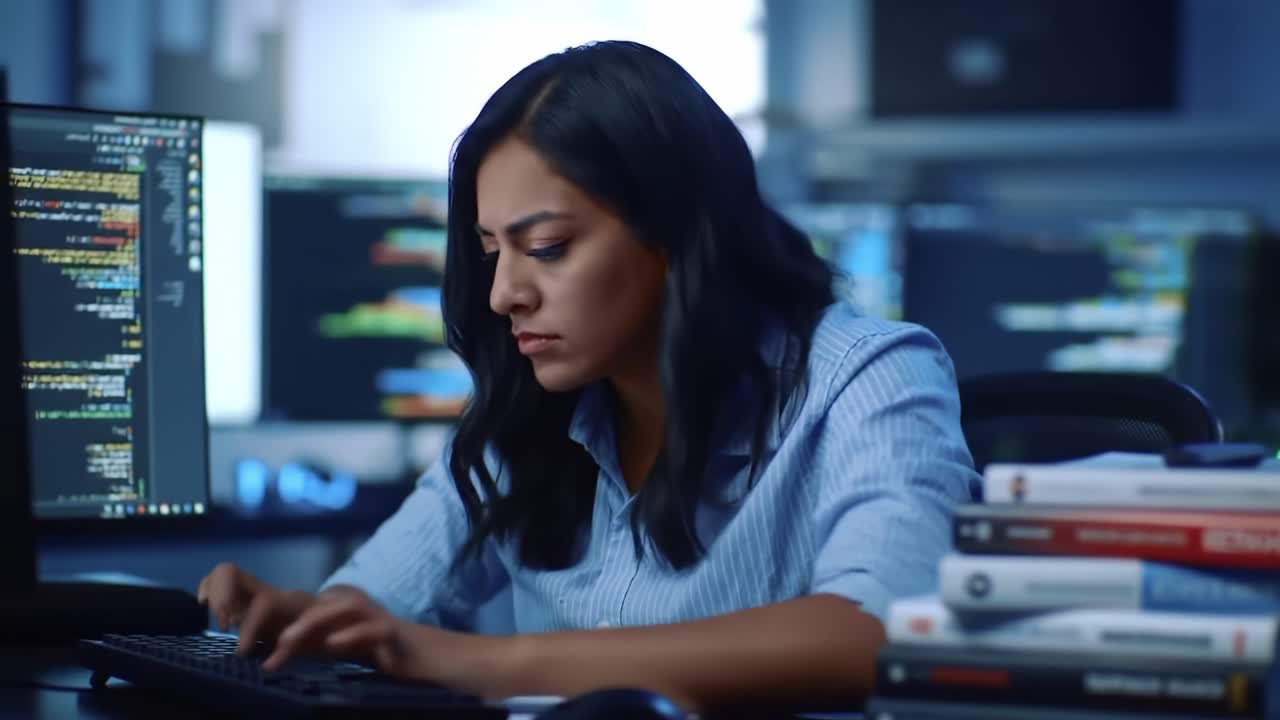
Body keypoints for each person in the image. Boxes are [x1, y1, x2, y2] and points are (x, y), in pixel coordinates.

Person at [199, 40, 980, 712]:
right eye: (491, 251)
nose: (504, 294)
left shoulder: (870, 376)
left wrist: (486, 663)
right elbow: (381, 602)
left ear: (675, 233)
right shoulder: (526, 412)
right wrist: (309, 621)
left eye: (545, 248)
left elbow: (878, 633)